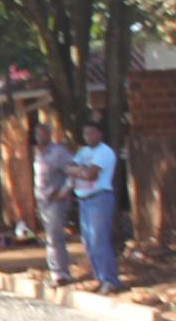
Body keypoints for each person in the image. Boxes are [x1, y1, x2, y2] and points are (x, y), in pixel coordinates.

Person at [69, 120, 122, 293]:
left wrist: (80, 171)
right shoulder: (83, 151)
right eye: (86, 134)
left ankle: (110, 280)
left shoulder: (105, 152)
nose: (89, 137)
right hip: (84, 199)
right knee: (88, 242)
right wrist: (79, 171)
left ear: (100, 134)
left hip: (99, 198)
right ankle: (100, 278)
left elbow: (91, 175)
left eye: (92, 133)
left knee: (99, 239)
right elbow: (68, 167)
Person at [31, 120, 76, 284]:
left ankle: (61, 273)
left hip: (56, 201)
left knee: (55, 237)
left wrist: (63, 192)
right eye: (37, 133)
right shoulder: (38, 154)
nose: (40, 136)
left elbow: (73, 172)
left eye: (43, 132)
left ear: (49, 134)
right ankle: (55, 271)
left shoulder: (59, 152)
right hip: (42, 201)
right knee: (50, 237)